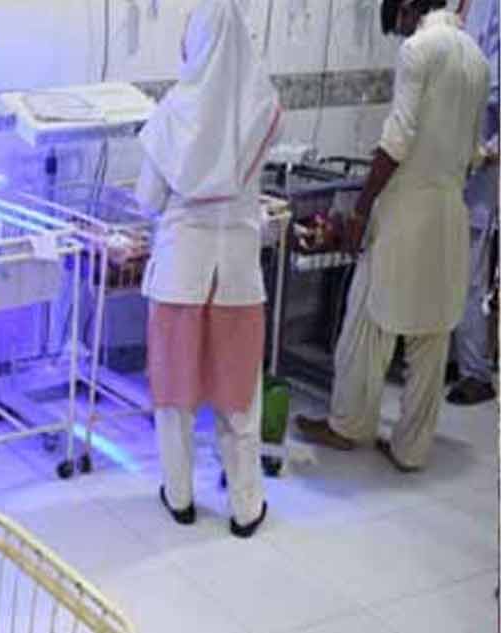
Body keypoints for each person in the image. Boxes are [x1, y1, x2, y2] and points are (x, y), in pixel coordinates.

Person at [296, 0, 490, 471]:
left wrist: (361, 209)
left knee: (366, 317)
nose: (401, 34)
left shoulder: (419, 50)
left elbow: (397, 138)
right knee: (432, 334)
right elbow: (472, 152)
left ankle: (348, 425)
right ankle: (412, 449)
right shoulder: (476, 58)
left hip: (405, 212)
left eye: (398, 24)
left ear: (406, 8)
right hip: (450, 209)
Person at [134, 0, 282, 537]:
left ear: (196, 40)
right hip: (238, 274)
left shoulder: (172, 113)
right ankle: (246, 506)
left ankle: (179, 497)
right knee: (238, 395)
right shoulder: (262, 106)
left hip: (180, 272)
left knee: (174, 394)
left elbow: (148, 199)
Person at [448, 0, 500, 406]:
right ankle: (455, 357)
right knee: (450, 266)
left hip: (481, 161)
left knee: (468, 269)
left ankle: (475, 372)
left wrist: (489, 151)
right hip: (456, 159)